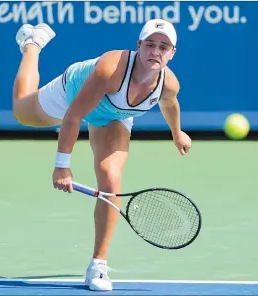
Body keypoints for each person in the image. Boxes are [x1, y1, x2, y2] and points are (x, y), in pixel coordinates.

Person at [13, 19, 191, 291]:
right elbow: (74, 115)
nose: (155, 51)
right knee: (21, 111)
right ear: (139, 46)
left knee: (110, 180)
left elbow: (170, 104)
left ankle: (98, 265)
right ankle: (31, 45)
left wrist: (177, 133)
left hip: (114, 117)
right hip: (74, 94)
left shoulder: (169, 84)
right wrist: (62, 166)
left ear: (172, 53)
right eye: (150, 44)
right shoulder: (110, 69)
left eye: (163, 47)